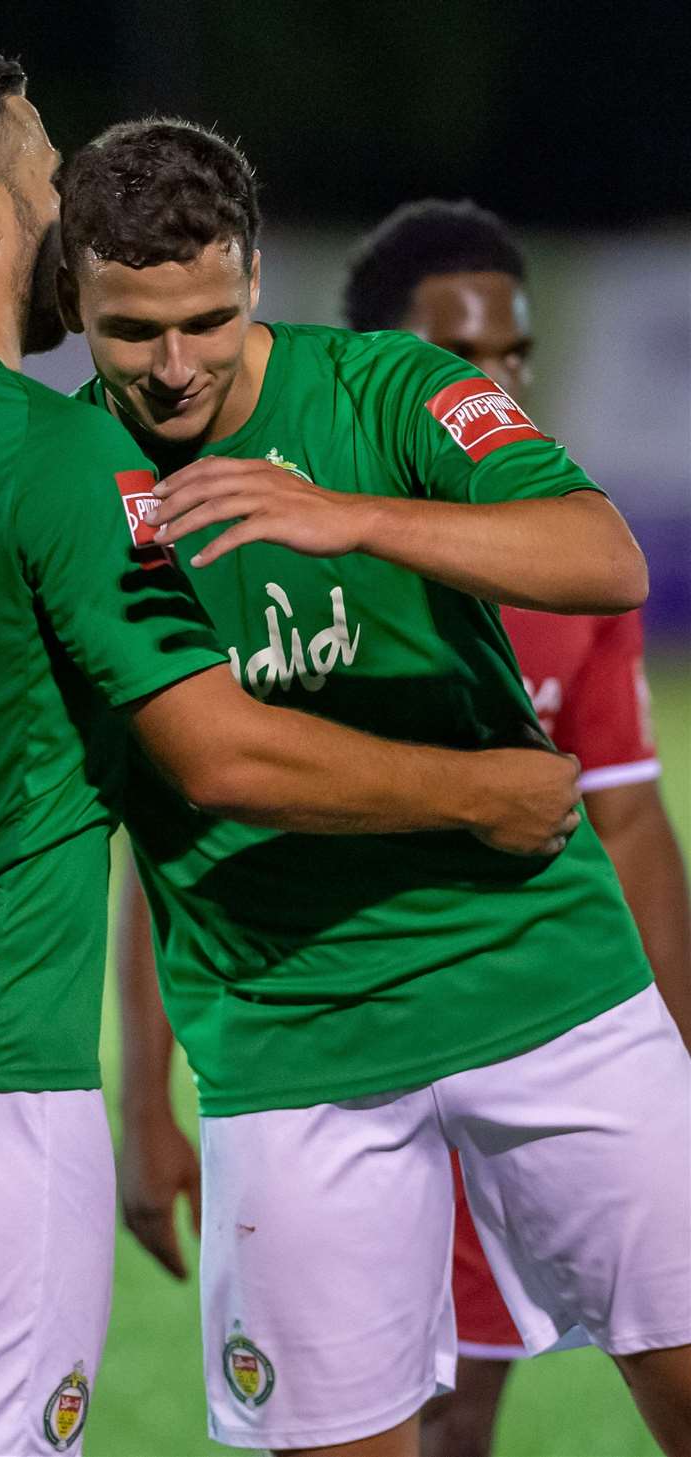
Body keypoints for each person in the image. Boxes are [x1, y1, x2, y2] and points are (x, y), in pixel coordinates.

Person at [0, 57, 586, 1457]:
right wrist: (486, 791)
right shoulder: (58, 455)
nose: (78, 198)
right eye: (53, 167)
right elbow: (221, 754)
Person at [55, 120, 691, 1457]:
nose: (176, 368)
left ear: (259, 274)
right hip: (292, 1043)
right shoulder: (61, 485)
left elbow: (604, 554)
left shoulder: (391, 389)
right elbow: (182, 792)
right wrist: (146, 1098)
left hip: (540, 981)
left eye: (210, 322)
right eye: (133, 333)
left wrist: (352, 513)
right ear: (74, 304)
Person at [341, 196, 691, 1457]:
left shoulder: (566, 554)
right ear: (376, 363)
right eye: (463, 357)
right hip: (360, 1053)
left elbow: (634, 822)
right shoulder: (302, 546)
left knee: (533, 1381)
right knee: (420, 1408)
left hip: (540, 1034)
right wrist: (154, 1104)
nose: (502, 383)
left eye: (517, 354)